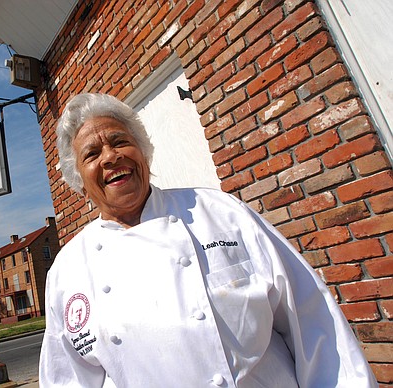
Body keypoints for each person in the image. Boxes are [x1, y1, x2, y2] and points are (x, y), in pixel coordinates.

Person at [39, 93, 377, 387]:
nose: (111, 156)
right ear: (78, 180)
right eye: (92, 153)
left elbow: (311, 318)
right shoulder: (68, 271)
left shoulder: (220, 212)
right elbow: (66, 380)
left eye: (119, 141)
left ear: (143, 152)